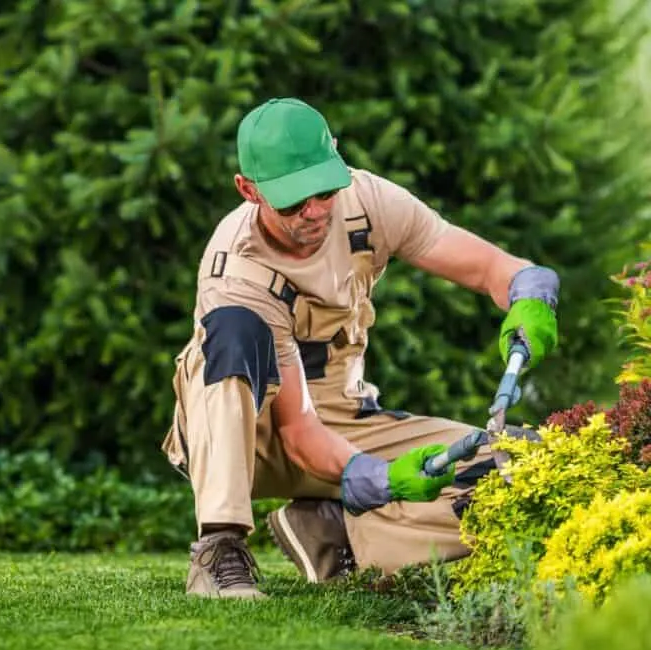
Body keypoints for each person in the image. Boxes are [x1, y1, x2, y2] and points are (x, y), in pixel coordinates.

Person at [160, 97, 559, 599]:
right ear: (248, 190)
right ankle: (220, 548)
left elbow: (485, 267)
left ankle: (334, 532)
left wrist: (528, 290)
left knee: (513, 466)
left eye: (323, 191)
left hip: (344, 419)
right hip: (252, 435)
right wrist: (378, 476)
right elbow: (298, 431)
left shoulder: (367, 203)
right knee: (233, 331)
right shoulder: (236, 268)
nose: (313, 212)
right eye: (292, 200)